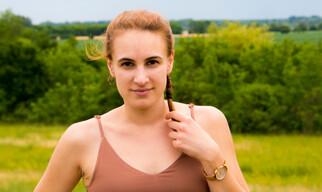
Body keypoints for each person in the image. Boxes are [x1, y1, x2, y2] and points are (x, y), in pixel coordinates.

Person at [34, 10, 249, 192]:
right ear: (111, 66)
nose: (141, 78)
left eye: (152, 62)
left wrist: (211, 158)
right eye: (127, 64)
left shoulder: (209, 122)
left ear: (169, 62)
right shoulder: (81, 138)